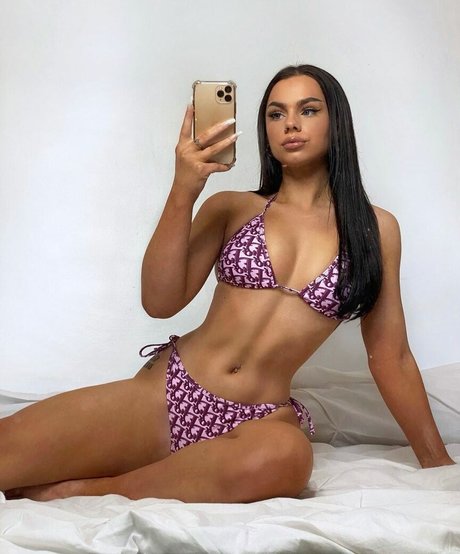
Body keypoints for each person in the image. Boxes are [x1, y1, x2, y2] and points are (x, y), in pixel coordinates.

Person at [2, 64, 455, 503]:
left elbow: (391, 357)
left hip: (259, 421)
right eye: (275, 113)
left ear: (337, 122)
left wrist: (437, 463)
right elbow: (159, 302)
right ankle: (141, 472)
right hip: (167, 394)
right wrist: (184, 188)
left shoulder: (374, 230)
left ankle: (90, 490)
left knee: (289, 457)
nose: (290, 123)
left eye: (308, 110)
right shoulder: (232, 208)